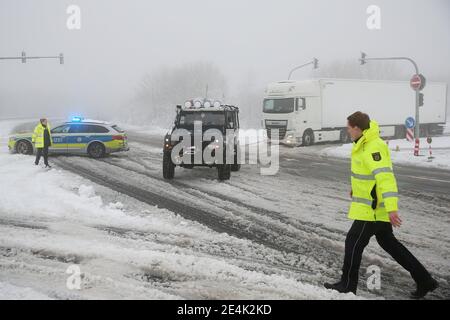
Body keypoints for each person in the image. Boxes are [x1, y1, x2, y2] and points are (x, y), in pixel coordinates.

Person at [324, 111, 438, 299]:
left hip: (373, 210)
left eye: (349, 128)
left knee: (353, 242)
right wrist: (356, 189)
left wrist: (392, 208)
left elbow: (385, 178)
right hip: (372, 207)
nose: (348, 132)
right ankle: (425, 280)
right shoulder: (363, 144)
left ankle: (347, 285)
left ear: (357, 128)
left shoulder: (372, 147)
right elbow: (366, 175)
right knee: (390, 244)